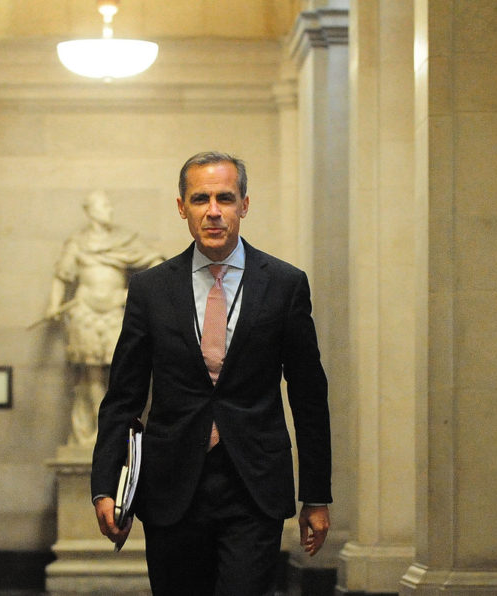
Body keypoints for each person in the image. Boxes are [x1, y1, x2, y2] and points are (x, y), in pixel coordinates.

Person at [90, 151, 332, 595]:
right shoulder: (151, 288)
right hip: (171, 485)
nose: (214, 211)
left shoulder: (284, 283)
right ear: (182, 207)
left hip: (253, 483)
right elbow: (123, 395)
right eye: (201, 199)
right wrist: (106, 485)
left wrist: (316, 494)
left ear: (244, 204)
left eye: (225, 197)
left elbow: (309, 395)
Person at [44, 190, 162, 446]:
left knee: (121, 374)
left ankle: (118, 430)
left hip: (115, 315)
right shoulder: (77, 243)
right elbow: (62, 276)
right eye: (105, 206)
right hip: (85, 314)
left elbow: (157, 264)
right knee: (91, 375)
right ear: (92, 211)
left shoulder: (125, 241)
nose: (109, 210)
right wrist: (53, 304)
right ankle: (99, 430)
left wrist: (131, 294)